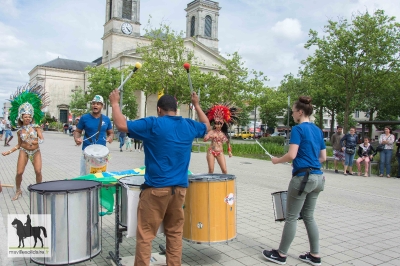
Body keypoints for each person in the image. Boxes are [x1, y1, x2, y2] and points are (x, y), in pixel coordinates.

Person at [109, 89, 210, 266]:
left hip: (156, 190)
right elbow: (207, 126)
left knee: (146, 235)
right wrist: (197, 105)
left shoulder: (153, 124)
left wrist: (115, 104)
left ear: (159, 109)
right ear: (176, 109)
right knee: (175, 234)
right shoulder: (189, 125)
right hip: (179, 191)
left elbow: (122, 125)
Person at [262, 96, 326, 265]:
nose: (292, 113)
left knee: (291, 217)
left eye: (293, 111)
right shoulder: (318, 130)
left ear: (300, 112)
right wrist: (309, 163)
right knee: (309, 216)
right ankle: (315, 255)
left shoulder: (298, 130)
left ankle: (281, 254)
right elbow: (323, 157)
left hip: (302, 179)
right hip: (318, 178)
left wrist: (277, 160)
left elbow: (291, 155)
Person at [1, 84, 49, 201]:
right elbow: (19, 144)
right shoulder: (19, 131)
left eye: (29, 116)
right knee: (19, 172)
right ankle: (18, 190)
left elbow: (42, 139)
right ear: (21, 117)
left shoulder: (37, 128)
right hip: (24, 151)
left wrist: (38, 140)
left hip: (36, 151)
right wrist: (9, 151)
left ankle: (39, 189)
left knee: (38, 171)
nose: (27, 118)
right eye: (25, 116)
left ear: (31, 116)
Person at [74, 95, 114, 176]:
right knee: (84, 176)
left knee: (100, 177)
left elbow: (111, 133)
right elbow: (78, 131)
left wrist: (110, 138)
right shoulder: (84, 118)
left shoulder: (106, 119)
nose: (95, 105)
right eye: (93, 103)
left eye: (98, 104)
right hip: (87, 153)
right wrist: (77, 138)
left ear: (102, 106)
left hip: (101, 154)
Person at [203, 104, 239, 174]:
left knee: (224, 170)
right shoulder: (211, 132)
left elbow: (228, 142)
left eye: (219, 124)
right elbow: (205, 139)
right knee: (211, 170)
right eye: (216, 123)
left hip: (220, 152)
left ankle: (225, 184)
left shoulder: (224, 133)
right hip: (211, 152)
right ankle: (210, 184)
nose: (218, 125)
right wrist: (210, 136)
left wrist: (229, 151)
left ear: (222, 124)